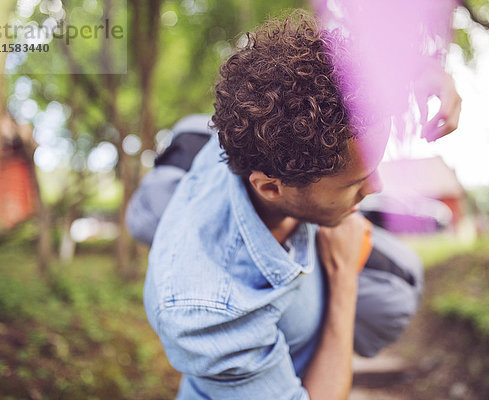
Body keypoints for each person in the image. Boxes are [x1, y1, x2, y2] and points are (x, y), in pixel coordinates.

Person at [140, 10, 458, 400]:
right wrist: (343, 283)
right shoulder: (206, 311)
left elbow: (330, 74)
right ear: (272, 188)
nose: (375, 188)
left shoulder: (258, 129)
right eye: (355, 182)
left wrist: (423, 72)